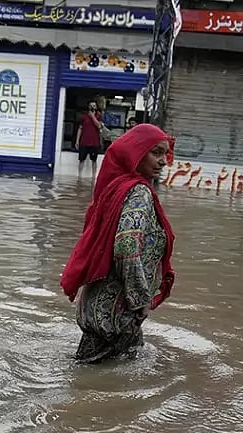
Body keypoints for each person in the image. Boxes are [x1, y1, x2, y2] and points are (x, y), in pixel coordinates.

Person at [60, 124, 177, 363]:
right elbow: (126, 247)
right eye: (155, 152)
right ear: (136, 154)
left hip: (99, 310)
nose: (163, 161)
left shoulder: (116, 188)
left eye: (164, 153)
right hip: (118, 316)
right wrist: (141, 300)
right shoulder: (138, 193)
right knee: (112, 386)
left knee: (89, 378)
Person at [74, 99, 105, 177]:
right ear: (88, 107)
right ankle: (79, 176)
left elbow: (99, 126)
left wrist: (92, 117)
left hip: (94, 143)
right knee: (81, 160)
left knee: (94, 160)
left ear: (96, 107)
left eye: (94, 106)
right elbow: (80, 129)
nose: (92, 107)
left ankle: (93, 177)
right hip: (84, 142)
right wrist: (77, 141)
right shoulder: (84, 116)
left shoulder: (99, 116)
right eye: (91, 106)